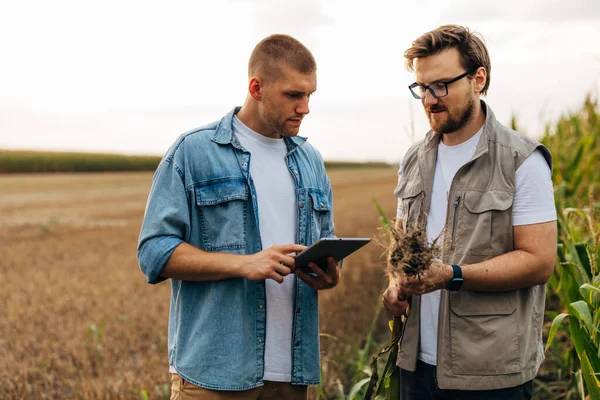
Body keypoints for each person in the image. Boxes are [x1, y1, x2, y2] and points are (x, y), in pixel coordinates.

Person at [137, 34, 341, 400]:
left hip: (293, 377)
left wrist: (326, 275)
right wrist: (243, 264)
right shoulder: (193, 153)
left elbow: (324, 245)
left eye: (310, 95)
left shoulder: (311, 162)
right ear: (256, 87)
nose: (305, 107)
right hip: (215, 375)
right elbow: (154, 252)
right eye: (294, 95)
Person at [382, 25, 557, 399]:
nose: (430, 99)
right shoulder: (413, 160)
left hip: (489, 373)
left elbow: (539, 261)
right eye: (422, 88)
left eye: (441, 85)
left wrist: (451, 275)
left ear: (479, 79)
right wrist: (394, 285)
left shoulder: (521, 160)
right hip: (416, 365)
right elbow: (400, 249)